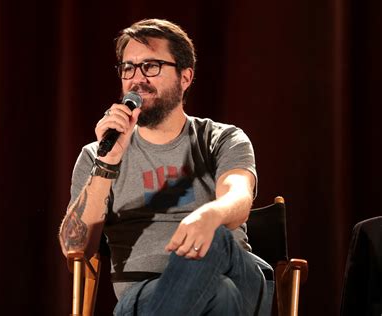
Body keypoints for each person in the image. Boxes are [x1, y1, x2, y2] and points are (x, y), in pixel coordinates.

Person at [59, 18, 273, 315]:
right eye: (128, 67)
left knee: (218, 241)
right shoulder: (98, 156)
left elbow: (238, 197)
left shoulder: (220, 138)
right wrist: (107, 164)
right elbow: (76, 248)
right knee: (222, 296)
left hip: (235, 273)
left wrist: (210, 215)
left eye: (151, 66)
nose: (137, 78)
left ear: (185, 77)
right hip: (146, 296)